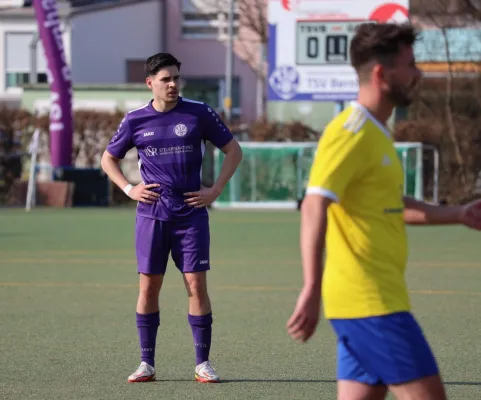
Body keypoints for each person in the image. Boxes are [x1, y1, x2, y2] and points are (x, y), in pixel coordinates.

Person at [286, 22, 481, 400]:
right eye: (409, 64)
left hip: (369, 303)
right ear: (381, 73)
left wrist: (458, 213)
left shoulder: (378, 132)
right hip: (371, 305)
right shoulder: (351, 131)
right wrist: (311, 287)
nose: (417, 74)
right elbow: (314, 202)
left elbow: (392, 206)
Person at [101, 52, 243, 383]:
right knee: (149, 286)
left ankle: (202, 363)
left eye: (177, 78)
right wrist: (128, 188)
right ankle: (146, 363)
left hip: (191, 214)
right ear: (150, 83)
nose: (173, 84)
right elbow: (109, 159)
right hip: (152, 214)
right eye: (166, 79)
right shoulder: (136, 119)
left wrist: (215, 189)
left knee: (196, 285)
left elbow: (234, 151)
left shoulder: (199, 113)